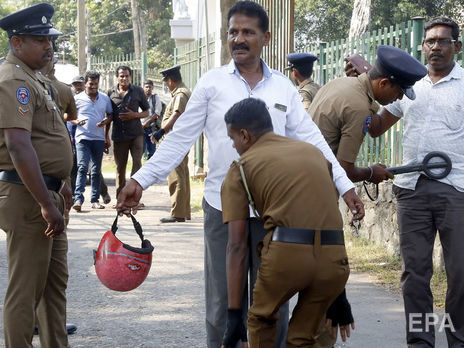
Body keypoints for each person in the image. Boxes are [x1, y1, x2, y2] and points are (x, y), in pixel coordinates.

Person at [117, 2, 364, 347]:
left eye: (247, 32)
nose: (239, 39)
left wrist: (344, 184)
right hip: (221, 208)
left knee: (272, 305)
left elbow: (313, 142)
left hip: (273, 215)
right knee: (222, 306)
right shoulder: (211, 85)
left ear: (265, 37)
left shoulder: (282, 89)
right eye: (233, 32)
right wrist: (139, 180)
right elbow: (179, 140)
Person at [220, 97, 350, 347]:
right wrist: (338, 294)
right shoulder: (314, 153)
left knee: (261, 319)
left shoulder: (241, 167)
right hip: (335, 261)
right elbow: (327, 217)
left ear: (245, 135)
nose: (234, 145)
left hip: (287, 258)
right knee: (302, 338)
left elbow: (236, 247)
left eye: (233, 138)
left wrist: (233, 315)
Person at [366, 16, 464, 347]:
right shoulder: (409, 86)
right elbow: (376, 126)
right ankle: (421, 341)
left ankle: (457, 339)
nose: (435, 46)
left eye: (443, 41)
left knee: (460, 274)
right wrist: (363, 88)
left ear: (457, 47)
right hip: (411, 191)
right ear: (422, 46)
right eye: (430, 41)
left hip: (457, 191)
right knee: (415, 276)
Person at [0, 3, 74, 347]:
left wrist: (64, 184)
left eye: (50, 40)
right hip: (30, 198)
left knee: (53, 288)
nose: (49, 47)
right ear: (17, 43)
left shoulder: (37, 79)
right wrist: (46, 203)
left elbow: (50, 137)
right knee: (26, 290)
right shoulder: (13, 79)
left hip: (48, 194)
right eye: (39, 39)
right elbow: (18, 146)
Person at [309, 45, 427, 185]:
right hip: (315, 184)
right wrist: (371, 172)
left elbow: (375, 127)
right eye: (399, 91)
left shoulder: (339, 83)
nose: (400, 98)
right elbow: (344, 171)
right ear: (383, 83)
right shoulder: (359, 108)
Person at [152, 66, 192, 223]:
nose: (167, 85)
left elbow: (176, 114)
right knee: (182, 174)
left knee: (176, 176)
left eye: (167, 82)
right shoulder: (183, 92)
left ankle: (178, 213)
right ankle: (184, 212)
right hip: (180, 139)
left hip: (177, 139)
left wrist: (161, 131)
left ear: (170, 80)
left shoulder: (181, 94)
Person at [107, 66, 149, 204]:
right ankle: (120, 199)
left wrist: (133, 115)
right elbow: (109, 115)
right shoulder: (110, 93)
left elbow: (147, 112)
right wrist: (105, 135)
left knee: (137, 166)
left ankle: (134, 199)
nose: (124, 78)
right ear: (117, 77)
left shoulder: (137, 91)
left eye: (126, 76)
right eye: (121, 76)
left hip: (136, 134)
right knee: (120, 168)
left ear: (130, 77)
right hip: (119, 136)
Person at [71, 70, 113, 211]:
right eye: (90, 84)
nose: (93, 86)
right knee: (82, 167)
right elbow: (66, 115)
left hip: (99, 139)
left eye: (95, 84)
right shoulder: (77, 99)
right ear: (85, 84)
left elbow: (110, 115)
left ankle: (95, 200)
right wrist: (76, 121)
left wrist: (106, 125)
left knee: (95, 170)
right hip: (82, 138)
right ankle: (78, 199)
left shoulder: (104, 98)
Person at [141, 79, 162, 160]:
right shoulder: (140, 99)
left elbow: (157, 112)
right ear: (143, 88)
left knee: (152, 152)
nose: (148, 89)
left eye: (150, 87)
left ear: (152, 88)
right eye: (146, 87)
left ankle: (150, 171)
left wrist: (147, 122)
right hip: (141, 128)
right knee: (140, 150)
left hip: (151, 128)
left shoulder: (155, 98)